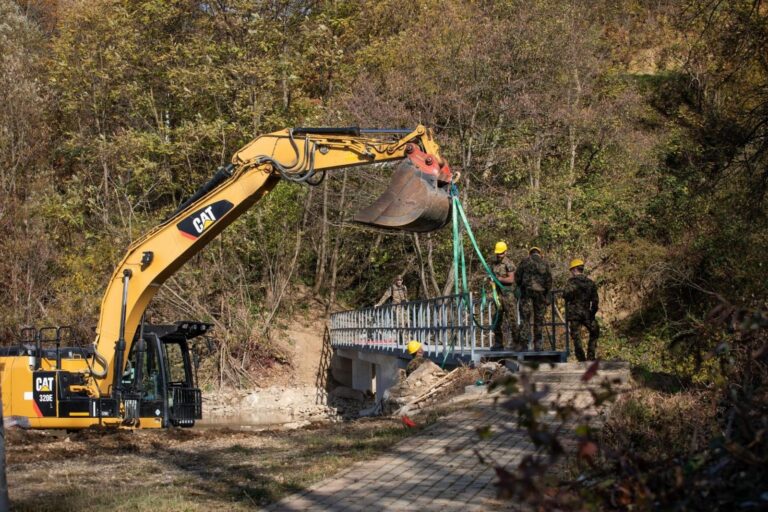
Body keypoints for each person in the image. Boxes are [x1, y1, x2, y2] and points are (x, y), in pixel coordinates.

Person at [515, 246, 552, 351]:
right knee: (539, 319)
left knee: (525, 318)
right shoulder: (545, 263)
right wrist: (546, 293)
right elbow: (549, 280)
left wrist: (520, 286)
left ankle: (524, 345)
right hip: (540, 294)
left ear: (529, 253)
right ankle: (538, 345)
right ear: (540, 253)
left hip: (526, 292)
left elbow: (517, 277)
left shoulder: (524, 261)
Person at [563, 259, 600, 361]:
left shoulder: (571, 282)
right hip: (586, 313)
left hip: (574, 315)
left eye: (571, 270)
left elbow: (565, 295)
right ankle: (591, 356)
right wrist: (592, 313)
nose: (571, 272)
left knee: (576, 336)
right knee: (595, 331)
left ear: (575, 269)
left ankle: (581, 359)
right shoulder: (590, 283)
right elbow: (595, 301)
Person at [490, 241, 521, 351]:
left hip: (508, 295)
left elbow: (511, 279)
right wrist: (491, 281)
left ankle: (517, 343)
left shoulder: (509, 264)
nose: (499, 255)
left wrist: (499, 279)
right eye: (498, 253)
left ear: (505, 252)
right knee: (496, 319)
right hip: (497, 295)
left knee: (512, 319)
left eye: (501, 253)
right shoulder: (494, 264)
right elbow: (492, 276)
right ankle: (498, 343)